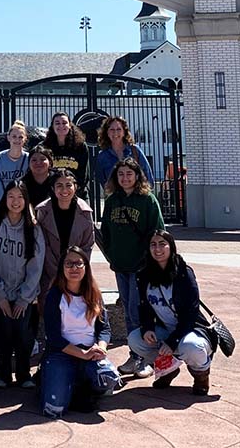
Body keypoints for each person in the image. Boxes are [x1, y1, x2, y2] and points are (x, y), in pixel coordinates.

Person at [99, 156, 164, 379]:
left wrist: (152, 259)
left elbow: (159, 232)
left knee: (138, 310)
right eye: (121, 174)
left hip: (141, 266)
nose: (125, 178)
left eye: (129, 173)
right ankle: (135, 354)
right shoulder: (112, 200)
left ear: (137, 176)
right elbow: (105, 230)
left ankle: (144, 356)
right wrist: (113, 254)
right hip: (120, 265)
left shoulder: (147, 200)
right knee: (127, 309)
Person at [129, 229, 216, 395]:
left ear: (171, 247)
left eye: (162, 244)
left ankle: (201, 375)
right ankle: (168, 369)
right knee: (135, 339)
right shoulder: (144, 274)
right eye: (153, 245)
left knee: (191, 346)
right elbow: (144, 306)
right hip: (164, 328)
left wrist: (172, 341)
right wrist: (147, 327)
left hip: (190, 329)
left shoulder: (184, 273)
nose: (158, 249)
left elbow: (191, 313)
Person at [0, 180, 44, 388]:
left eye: (20, 197)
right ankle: (4, 373)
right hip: (1, 293)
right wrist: (1, 295)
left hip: (25, 294)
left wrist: (24, 297)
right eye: (11, 197)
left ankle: (24, 374)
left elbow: (36, 265)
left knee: (25, 335)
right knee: (3, 334)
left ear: (26, 200)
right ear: (4, 199)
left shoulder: (33, 229)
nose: (15, 202)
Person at [40, 246, 116, 419]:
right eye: (69, 264)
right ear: (62, 268)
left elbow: (104, 328)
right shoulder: (54, 295)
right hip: (62, 352)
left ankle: (79, 383)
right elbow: (54, 338)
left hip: (90, 350)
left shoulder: (94, 294)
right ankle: (53, 379)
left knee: (110, 378)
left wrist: (101, 348)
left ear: (86, 267)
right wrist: (83, 354)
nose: (74, 268)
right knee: (54, 409)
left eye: (78, 264)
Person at [35, 169, 95, 318]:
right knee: (50, 310)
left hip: (76, 272)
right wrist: (57, 271)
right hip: (49, 271)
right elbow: (42, 244)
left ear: (75, 187)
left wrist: (74, 268)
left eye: (68, 185)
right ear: (53, 188)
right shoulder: (42, 211)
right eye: (59, 186)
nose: (64, 190)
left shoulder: (85, 211)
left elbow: (87, 244)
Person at [94, 115, 154, 188]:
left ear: (124, 132)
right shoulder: (102, 156)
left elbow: (147, 175)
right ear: (107, 133)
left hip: (137, 196)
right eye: (112, 129)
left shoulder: (135, 151)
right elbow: (103, 182)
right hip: (116, 197)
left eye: (119, 129)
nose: (115, 133)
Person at [43, 113, 89, 199]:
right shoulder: (45, 146)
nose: (61, 126)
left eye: (64, 123)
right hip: (52, 195)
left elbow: (84, 175)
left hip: (76, 193)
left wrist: (74, 192)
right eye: (57, 123)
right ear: (52, 126)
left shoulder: (80, 146)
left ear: (70, 125)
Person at [0, 121, 30, 208]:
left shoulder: (29, 159)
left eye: (20, 137)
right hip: (3, 205)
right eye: (14, 136)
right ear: (8, 138)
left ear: (25, 139)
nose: (17, 140)